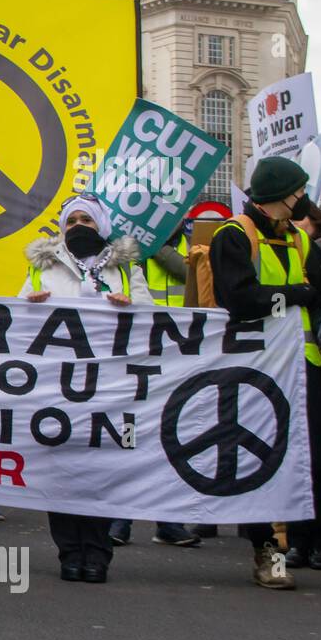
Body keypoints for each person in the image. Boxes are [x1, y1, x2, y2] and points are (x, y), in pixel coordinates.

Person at [210, 156, 321, 587]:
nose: (304, 199)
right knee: (263, 462)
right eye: (298, 191)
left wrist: (299, 296)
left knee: (313, 460)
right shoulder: (234, 236)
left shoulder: (298, 237)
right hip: (256, 369)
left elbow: (320, 292)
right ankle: (267, 553)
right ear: (281, 195)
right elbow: (240, 300)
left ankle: (306, 538)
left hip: (305, 366)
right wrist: (294, 295)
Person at [20, 193, 152, 582]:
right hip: (56, 389)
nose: (79, 227)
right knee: (61, 472)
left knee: (99, 473)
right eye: (72, 220)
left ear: (101, 226)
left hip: (108, 390)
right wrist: (30, 305)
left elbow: (153, 320)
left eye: (87, 221)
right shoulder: (40, 270)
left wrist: (133, 307)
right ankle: (69, 553)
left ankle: (97, 553)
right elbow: (11, 323)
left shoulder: (126, 270)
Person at [105, 225, 200, 548]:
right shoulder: (123, 251)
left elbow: (190, 276)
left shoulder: (194, 241)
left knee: (167, 438)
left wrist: (156, 247)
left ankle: (168, 520)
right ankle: (121, 518)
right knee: (127, 437)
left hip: (177, 353)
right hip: (134, 356)